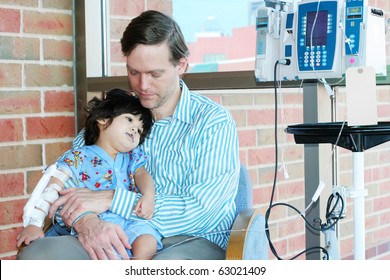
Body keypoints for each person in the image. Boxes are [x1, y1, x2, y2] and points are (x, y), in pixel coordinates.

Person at [17, 10, 240, 260]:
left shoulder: (213, 122)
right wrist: (85, 220)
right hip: (110, 231)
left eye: (155, 74)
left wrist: (112, 200)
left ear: (181, 65)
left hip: (187, 239)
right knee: (38, 257)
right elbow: (65, 184)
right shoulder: (114, 114)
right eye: (134, 72)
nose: (142, 86)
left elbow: (201, 212)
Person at [17, 88, 161, 260]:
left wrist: (148, 194)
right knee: (105, 251)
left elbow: (142, 175)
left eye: (139, 130)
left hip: (129, 219)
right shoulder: (78, 156)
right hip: (97, 221)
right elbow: (51, 188)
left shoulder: (133, 157)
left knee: (148, 240)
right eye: (129, 119)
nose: (134, 130)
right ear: (102, 119)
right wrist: (34, 224)